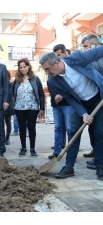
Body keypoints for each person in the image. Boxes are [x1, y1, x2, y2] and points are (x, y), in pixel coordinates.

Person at [39, 46, 103, 180]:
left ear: (57, 63)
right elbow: (69, 98)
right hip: (80, 103)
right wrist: (83, 114)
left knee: (99, 133)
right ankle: (69, 167)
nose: (46, 73)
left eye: (47, 69)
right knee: (73, 131)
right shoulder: (53, 80)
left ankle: (100, 166)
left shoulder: (78, 58)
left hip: (98, 99)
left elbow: (100, 51)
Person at [12, 58, 45, 157]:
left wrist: (42, 107)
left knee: (31, 128)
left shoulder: (35, 79)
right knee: (22, 128)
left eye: (24, 67)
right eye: (21, 67)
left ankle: (32, 149)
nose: (23, 69)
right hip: (19, 107)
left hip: (32, 107)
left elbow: (41, 93)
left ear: (29, 66)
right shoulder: (16, 80)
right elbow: (13, 92)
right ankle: (23, 148)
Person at [47, 44, 72, 159]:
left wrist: (62, 95)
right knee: (57, 128)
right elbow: (50, 84)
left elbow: (71, 85)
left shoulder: (69, 68)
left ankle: (70, 152)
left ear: (65, 53)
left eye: (59, 55)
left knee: (69, 128)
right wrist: (55, 95)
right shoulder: (52, 68)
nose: (56, 58)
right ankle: (57, 151)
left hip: (68, 103)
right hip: (56, 104)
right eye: (55, 55)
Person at [80, 34, 103, 160]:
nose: (84, 50)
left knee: (100, 131)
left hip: (100, 98)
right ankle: (95, 152)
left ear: (94, 45)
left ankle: (99, 158)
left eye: (86, 46)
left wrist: (90, 57)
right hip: (92, 99)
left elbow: (98, 68)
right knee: (92, 128)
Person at [4, 71, 15, 145]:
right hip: (1, 106)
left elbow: (11, 94)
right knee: (0, 123)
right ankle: (2, 138)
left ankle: (7, 138)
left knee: (8, 122)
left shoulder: (10, 84)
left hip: (9, 105)